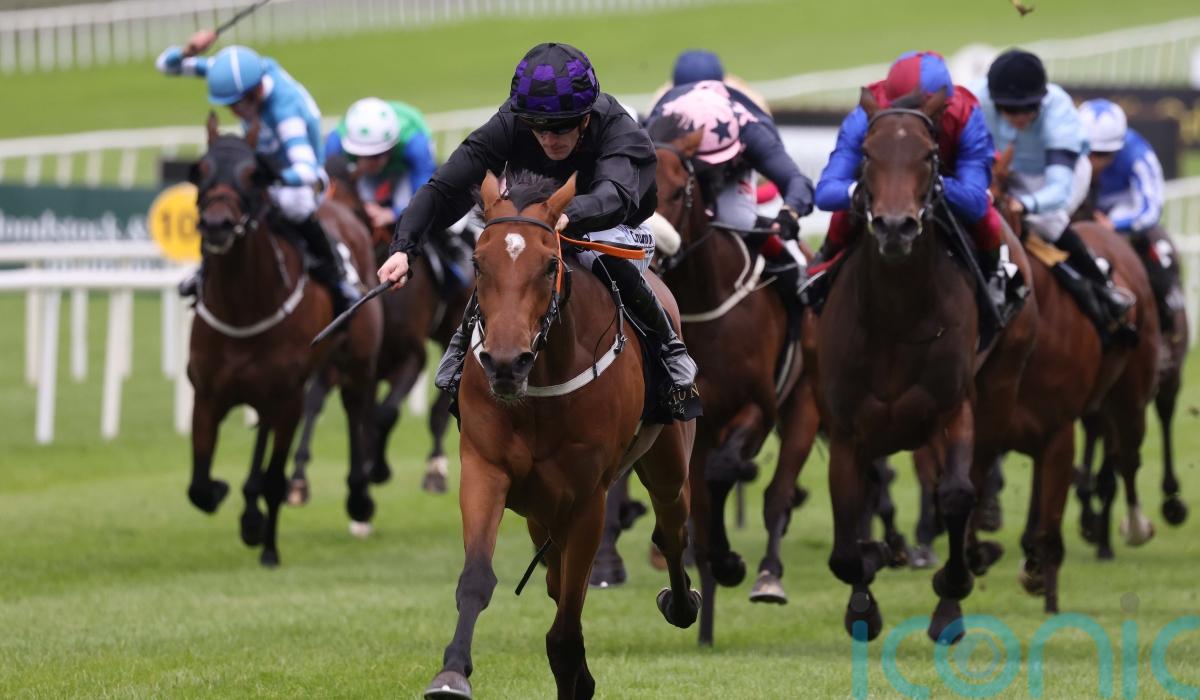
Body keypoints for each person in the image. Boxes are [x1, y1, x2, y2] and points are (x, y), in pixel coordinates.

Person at [376, 42, 700, 420]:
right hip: (537, 220)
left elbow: (615, 194)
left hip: (616, 223)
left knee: (594, 253)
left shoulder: (617, 127)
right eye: (538, 128)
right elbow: (445, 186)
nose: (549, 139)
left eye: (561, 128)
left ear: (586, 117)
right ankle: (462, 341)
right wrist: (404, 247)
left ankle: (669, 349)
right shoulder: (510, 121)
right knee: (504, 259)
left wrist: (568, 214)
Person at [156, 30, 361, 316]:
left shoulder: (285, 111)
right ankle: (206, 270)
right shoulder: (236, 73)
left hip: (301, 179)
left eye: (234, 104)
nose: (232, 111)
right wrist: (188, 50)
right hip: (263, 166)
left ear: (255, 94)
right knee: (223, 199)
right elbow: (166, 65)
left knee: (294, 206)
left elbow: (306, 171)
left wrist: (270, 182)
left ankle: (338, 276)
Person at [811, 50, 1010, 314]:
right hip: (883, 187)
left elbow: (974, 201)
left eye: (924, 113)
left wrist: (930, 183)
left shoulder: (966, 114)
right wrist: (868, 189)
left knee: (988, 219)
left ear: (942, 107)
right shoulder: (865, 116)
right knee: (841, 216)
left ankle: (993, 274)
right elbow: (825, 192)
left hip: (943, 180)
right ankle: (820, 270)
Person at [972, 49, 1133, 331]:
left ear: (1041, 100)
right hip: (1010, 168)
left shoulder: (1059, 114)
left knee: (1045, 223)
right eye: (1010, 110)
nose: (1020, 117)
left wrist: (1025, 205)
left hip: (1060, 172)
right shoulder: (978, 98)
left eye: (1029, 109)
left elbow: (1058, 191)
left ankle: (1103, 285)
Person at [649, 79, 815, 300]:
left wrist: (790, 212)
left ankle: (794, 275)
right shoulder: (654, 129)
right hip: (678, 161)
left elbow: (796, 180)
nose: (712, 169)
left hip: (732, 172)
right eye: (708, 164)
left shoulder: (753, 131)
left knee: (737, 218)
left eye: (719, 160)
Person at [1079, 98, 1177, 331]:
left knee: (1156, 265)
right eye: (1087, 152)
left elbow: (1151, 208)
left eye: (1102, 154)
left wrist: (1115, 225)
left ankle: (1165, 313)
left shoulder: (1138, 154)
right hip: (1082, 206)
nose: (1092, 162)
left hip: (1123, 213)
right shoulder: (1065, 145)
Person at [325, 97, 437, 232]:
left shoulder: (416, 144)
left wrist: (393, 214)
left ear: (392, 147)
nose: (371, 162)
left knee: (416, 215)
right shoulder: (335, 143)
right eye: (364, 155)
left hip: (403, 166)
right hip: (363, 169)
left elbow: (425, 197)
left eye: (377, 155)